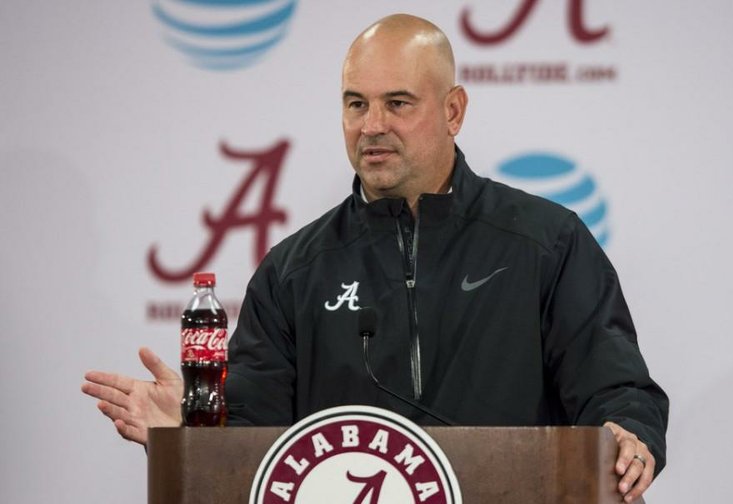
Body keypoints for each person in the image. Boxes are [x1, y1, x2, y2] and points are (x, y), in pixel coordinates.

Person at [82, 14, 668, 502]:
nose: (372, 126)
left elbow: (615, 387)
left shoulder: (546, 242)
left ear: (453, 111)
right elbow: (254, 442)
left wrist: (629, 433)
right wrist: (194, 434)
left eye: (398, 103)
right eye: (355, 103)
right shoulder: (292, 272)